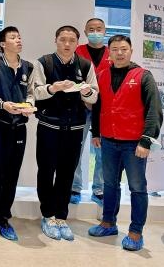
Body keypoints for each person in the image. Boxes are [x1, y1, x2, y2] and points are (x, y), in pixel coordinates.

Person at [88, 35, 163, 251]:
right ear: (109, 52)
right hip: (108, 141)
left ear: (131, 51)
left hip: (134, 144)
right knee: (109, 185)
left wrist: (146, 141)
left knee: (137, 188)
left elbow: (154, 110)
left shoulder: (143, 76)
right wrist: (96, 132)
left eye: (123, 49)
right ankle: (108, 223)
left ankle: (135, 232)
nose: (119, 53)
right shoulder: (102, 75)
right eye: (114, 49)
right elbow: (97, 107)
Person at [31, 25, 98, 241]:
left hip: (75, 128)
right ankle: (48, 215)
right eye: (63, 39)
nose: (67, 44)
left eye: (71, 40)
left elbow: (94, 96)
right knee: (46, 171)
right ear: (56, 40)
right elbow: (35, 92)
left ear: (77, 42)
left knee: (67, 173)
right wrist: (54, 88)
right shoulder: (44, 62)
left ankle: (61, 217)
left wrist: (86, 92)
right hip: (49, 127)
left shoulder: (85, 65)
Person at [0, 26, 34, 241]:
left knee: (12, 175)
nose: (18, 40)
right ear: (2, 44)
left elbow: (30, 93)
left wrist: (29, 105)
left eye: (19, 37)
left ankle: (4, 218)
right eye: (13, 37)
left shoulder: (28, 67)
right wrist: (2, 104)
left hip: (19, 127)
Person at [70, 18, 109, 206]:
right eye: (91, 29)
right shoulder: (77, 52)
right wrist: (87, 100)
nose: (95, 32)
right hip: (80, 107)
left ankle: (99, 189)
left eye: (99, 29)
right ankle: (75, 187)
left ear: (105, 31)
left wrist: (97, 103)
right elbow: (71, 79)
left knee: (103, 151)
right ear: (85, 32)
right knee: (75, 148)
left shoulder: (112, 53)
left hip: (105, 111)